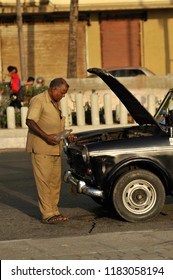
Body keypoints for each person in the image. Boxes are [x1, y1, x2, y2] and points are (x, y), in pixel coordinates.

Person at [26, 78, 70, 224]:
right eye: (62, 93)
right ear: (53, 89)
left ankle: (54, 210)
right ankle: (47, 214)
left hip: (55, 149)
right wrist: (46, 136)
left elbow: (53, 125)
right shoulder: (39, 100)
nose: (63, 96)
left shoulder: (55, 103)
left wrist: (66, 135)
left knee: (54, 183)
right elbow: (30, 121)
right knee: (44, 182)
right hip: (42, 148)